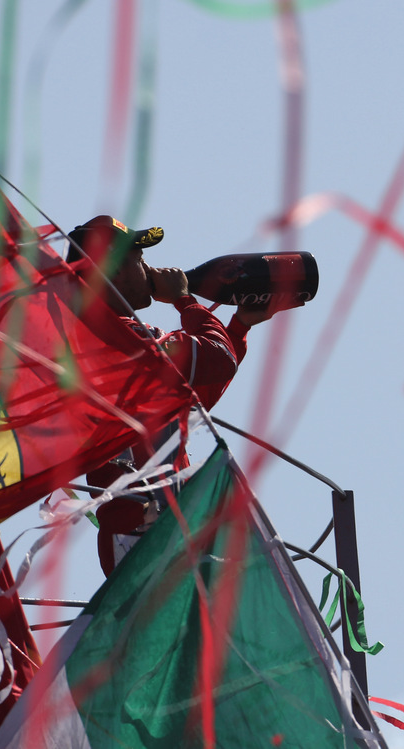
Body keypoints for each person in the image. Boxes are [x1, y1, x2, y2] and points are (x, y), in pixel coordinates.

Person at [65, 215, 299, 573]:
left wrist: (239, 326)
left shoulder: (88, 336)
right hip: (148, 524)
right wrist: (185, 300)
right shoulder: (127, 338)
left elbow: (190, 404)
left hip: (141, 525)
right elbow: (217, 359)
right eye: (138, 259)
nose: (148, 267)